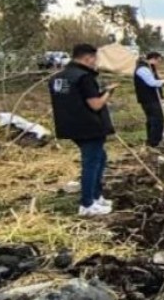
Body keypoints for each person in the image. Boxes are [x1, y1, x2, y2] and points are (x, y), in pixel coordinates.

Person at [49, 43, 118, 218]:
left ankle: (96, 196)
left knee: (100, 158)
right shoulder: (84, 77)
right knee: (91, 163)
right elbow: (96, 105)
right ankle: (87, 205)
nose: (95, 62)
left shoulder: (58, 78)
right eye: (95, 59)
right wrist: (108, 92)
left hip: (70, 125)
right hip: (89, 127)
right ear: (88, 58)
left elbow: (72, 98)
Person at [133, 51, 164, 149]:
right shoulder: (142, 69)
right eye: (158, 61)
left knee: (153, 120)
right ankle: (154, 142)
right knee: (157, 120)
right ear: (153, 59)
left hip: (153, 98)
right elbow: (152, 83)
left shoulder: (150, 68)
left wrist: (162, 98)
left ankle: (152, 141)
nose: (159, 64)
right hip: (148, 100)